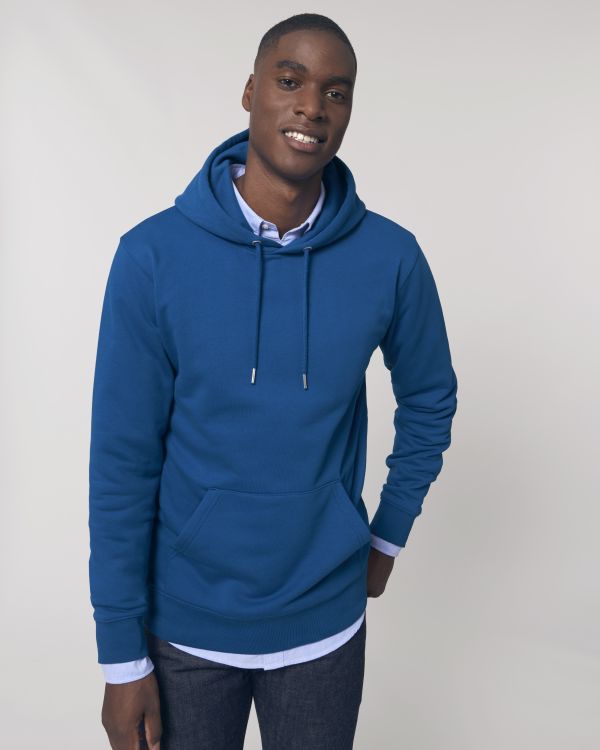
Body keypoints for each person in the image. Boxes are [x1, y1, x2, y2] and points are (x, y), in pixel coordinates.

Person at [88, 12, 458, 750]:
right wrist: (120, 654)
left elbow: (430, 397)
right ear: (251, 91)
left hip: (325, 625)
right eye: (290, 81)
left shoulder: (390, 257)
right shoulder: (152, 256)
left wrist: (388, 534)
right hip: (185, 627)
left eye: (336, 93)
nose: (312, 107)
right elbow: (122, 463)